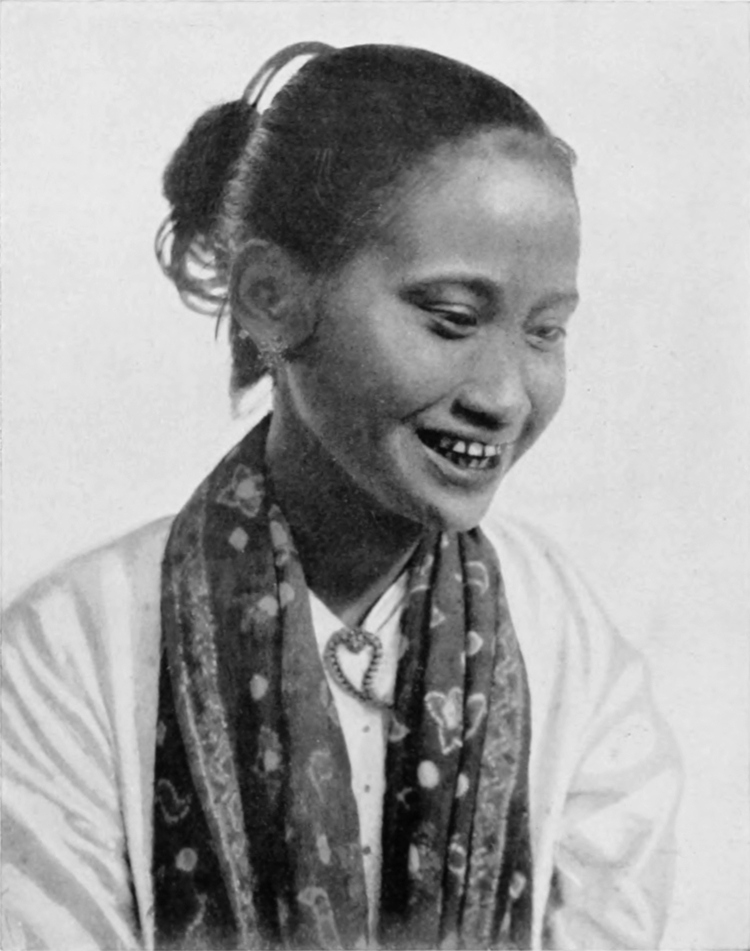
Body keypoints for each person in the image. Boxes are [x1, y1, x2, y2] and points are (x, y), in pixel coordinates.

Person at [1, 42, 682, 951]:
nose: (504, 394)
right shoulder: (73, 649)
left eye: (545, 330)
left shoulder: (566, 639)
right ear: (271, 298)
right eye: (451, 318)